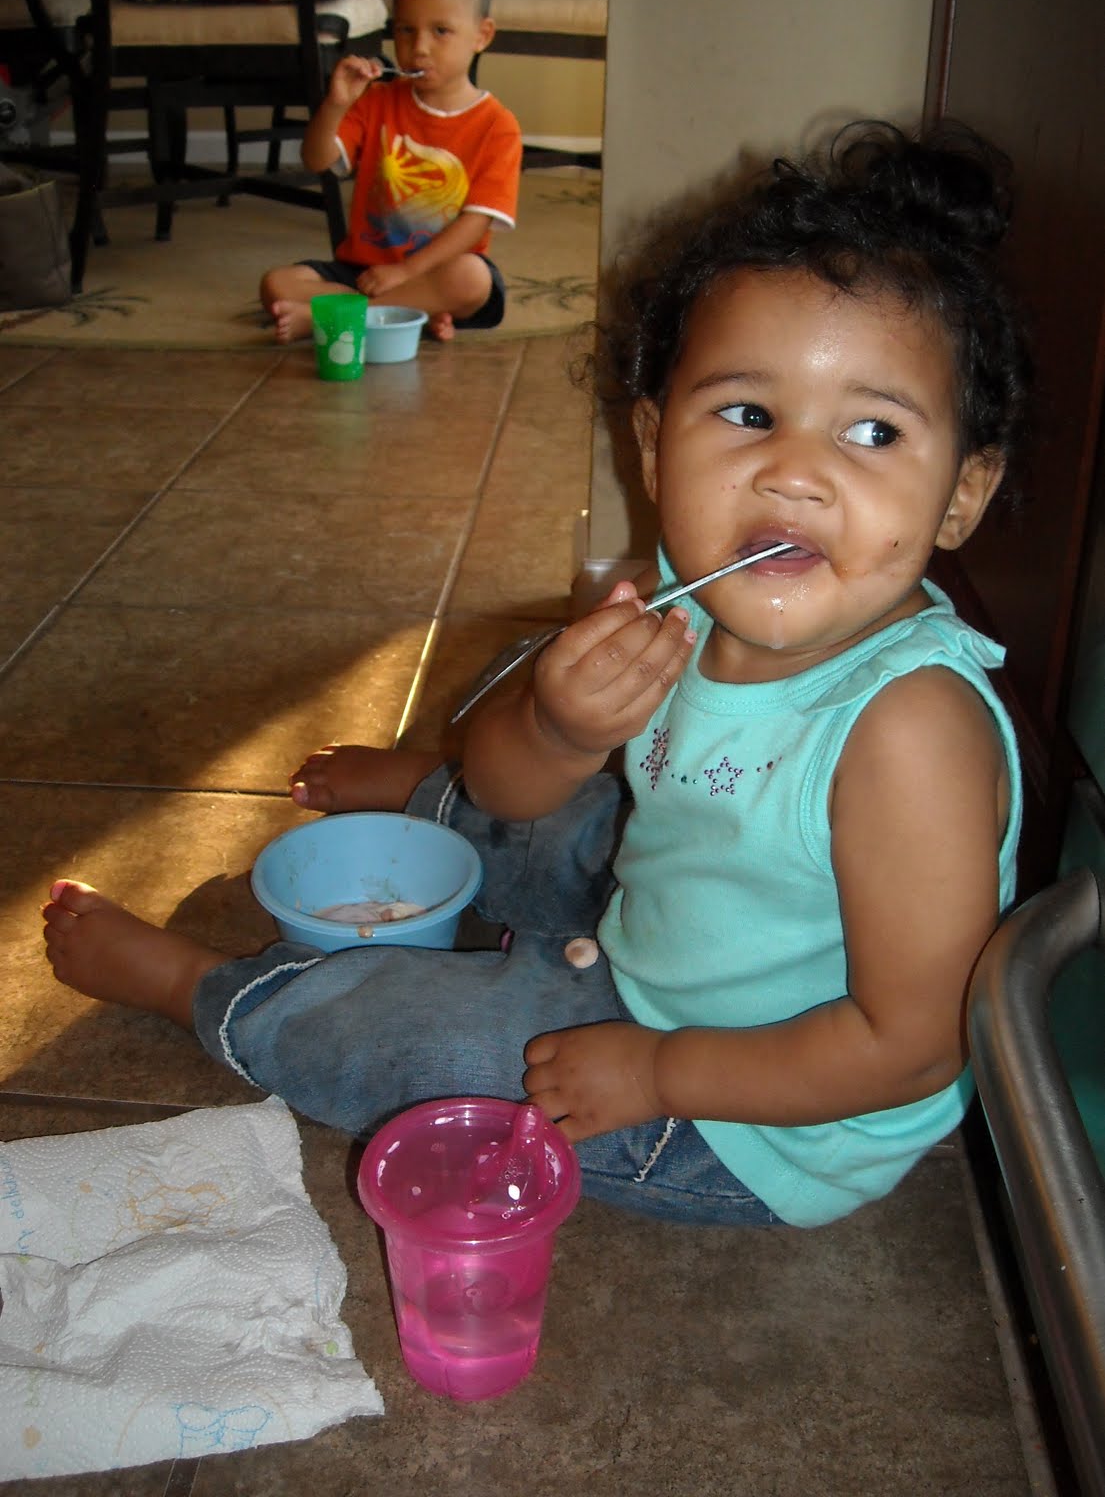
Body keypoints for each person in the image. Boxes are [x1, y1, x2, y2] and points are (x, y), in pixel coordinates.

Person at [44, 120, 1032, 1230]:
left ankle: (207, 991)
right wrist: (560, 728)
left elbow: (911, 1046)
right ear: (652, 447)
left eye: (873, 432)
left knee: (412, 1040)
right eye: (748, 415)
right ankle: (429, 795)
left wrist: (655, 1070)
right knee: (560, 779)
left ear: (961, 493)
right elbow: (517, 785)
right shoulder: (677, 592)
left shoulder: (911, 732)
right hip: (657, 922)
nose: (793, 473)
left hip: (753, 1113)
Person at [260, 0, 522, 344]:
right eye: (405, 30)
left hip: (437, 271)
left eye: (440, 31)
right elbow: (316, 159)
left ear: (482, 35)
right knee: (276, 285)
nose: (419, 48)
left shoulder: (497, 126)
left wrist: (407, 272)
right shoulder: (376, 100)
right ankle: (408, 313)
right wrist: (336, 105)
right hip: (364, 271)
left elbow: (474, 226)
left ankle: (335, 318)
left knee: (472, 279)